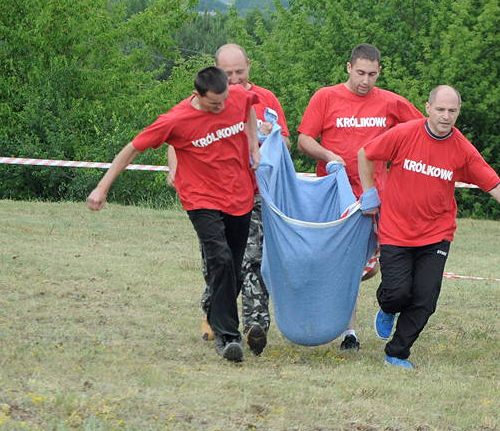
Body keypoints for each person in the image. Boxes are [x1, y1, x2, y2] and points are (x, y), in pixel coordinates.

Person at [357, 85, 500, 369]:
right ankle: (387, 307)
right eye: (441, 109)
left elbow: (494, 185)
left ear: (458, 112)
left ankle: (397, 352)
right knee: (398, 293)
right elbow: (365, 153)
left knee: (425, 298)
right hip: (395, 230)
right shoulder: (404, 134)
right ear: (428, 108)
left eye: (452, 111)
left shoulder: (462, 150)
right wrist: (369, 192)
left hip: (436, 234)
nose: (446, 116)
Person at [87, 66, 261, 363]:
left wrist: (253, 145)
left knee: (232, 267)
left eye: (223, 101)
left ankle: (213, 310)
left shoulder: (237, 97)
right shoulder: (176, 119)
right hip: (200, 197)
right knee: (218, 258)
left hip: (240, 194)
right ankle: (228, 337)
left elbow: (249, 109)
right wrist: (101, 189)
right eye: (213, 104)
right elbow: (132, 149)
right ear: (197, 95)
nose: (220, 108)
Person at [297, 43, 423, 351]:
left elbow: (421, 132)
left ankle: (381, 305)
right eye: (361, 73)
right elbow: (303, 139)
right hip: (335, 194)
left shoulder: (391, 102)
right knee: (342, 263)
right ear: (348, 68)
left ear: (380, 72)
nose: (366, 81)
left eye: (373, 74)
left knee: (371, 268)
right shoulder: (326, 97)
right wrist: (328, 155)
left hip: (374, 197)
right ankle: (348, 332)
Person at [168, 43, 290, 356]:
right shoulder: (208, 99)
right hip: (213, 196)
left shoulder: (266, 99)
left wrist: (267, 139)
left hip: (256, 193)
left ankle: (255, 325)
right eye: (228, 73)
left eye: (240, 71)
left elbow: (286, 141)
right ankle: (213, 310)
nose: (234, 79)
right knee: (219, 262)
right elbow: (177, 136)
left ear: (249, 66)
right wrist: (174, 170)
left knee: (253, 260)